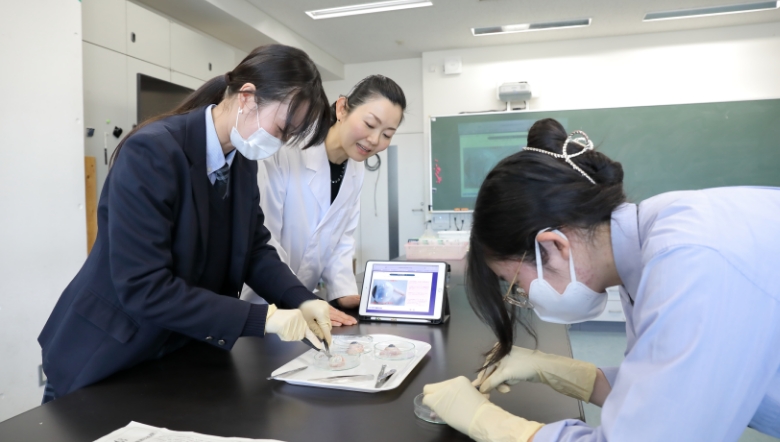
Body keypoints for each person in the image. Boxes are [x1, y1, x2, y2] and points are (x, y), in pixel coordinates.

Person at [422, 118, 780, 441]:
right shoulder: (650, 241)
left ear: (553, 246)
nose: (523, 295)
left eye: (515, 283)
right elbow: (662, 393)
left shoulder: (689, 262)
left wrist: (489, 423)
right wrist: (556, 370)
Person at [39, 44, 337, 403]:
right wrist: (263, 319)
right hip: (105, 355)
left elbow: (254, 248)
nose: (279, 142)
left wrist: (302, 300)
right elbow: (145, 286)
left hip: (172, 353)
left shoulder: (241, 161)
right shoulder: (151, 153)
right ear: (247, 97)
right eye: (282, 128)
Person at [242, 75, 406, 314]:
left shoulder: (355, 169)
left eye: (387, 134)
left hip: (305, 307)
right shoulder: (288, 150)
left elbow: (341, 239)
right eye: (370, 124)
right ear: (342, 109)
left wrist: (343, 292)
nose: (374, 140)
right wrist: (297, 297)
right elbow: (265, 237)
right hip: (259, 303)